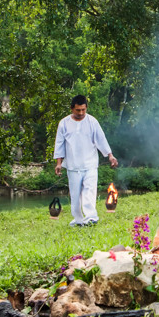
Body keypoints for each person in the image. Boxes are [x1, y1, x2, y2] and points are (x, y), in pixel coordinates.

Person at [53, 95, 118, 226]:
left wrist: (110, 155)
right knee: (75, 196)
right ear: (72, 109)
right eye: (78, 110)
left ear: (86, 108)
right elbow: (59, 144)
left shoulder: (92, 122)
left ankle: (91, 218)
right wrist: (59, 163)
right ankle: (78, 219)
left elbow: (101, 140)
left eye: (83, 109)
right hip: (73, 165)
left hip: (90, 164)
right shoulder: (64, 123)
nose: (81, 113)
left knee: (89, 191)